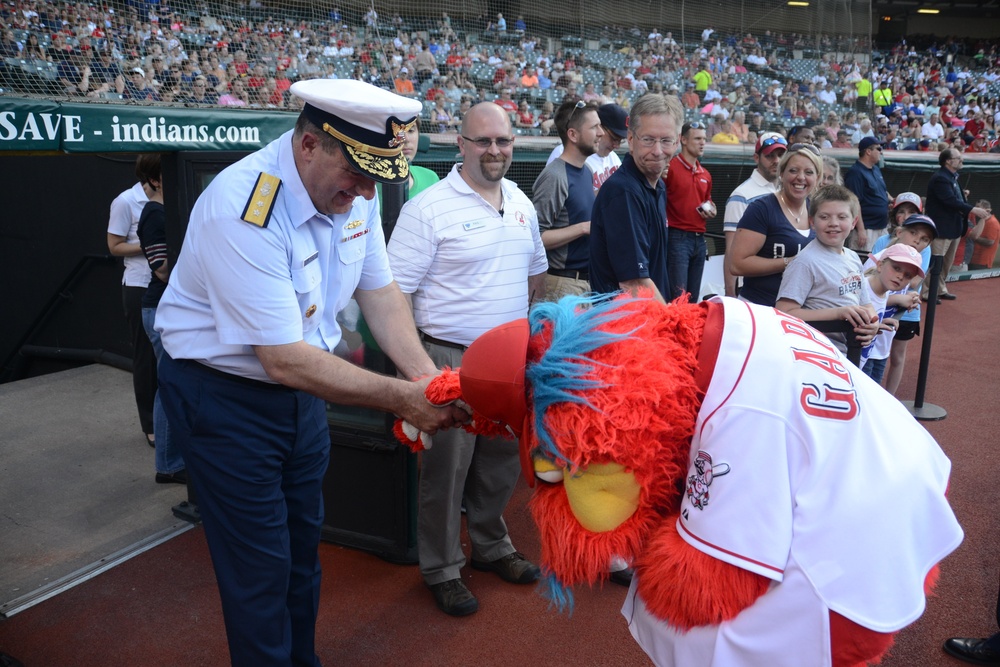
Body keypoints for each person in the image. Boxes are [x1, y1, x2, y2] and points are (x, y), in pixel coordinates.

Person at [154, 80, 467, 665]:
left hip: (303, 397)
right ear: (307, 147)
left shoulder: (357, 193)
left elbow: (381, 292)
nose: (368, 191)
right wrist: (404, 399)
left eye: (379, 176)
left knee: (301, 553)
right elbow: (282, 356)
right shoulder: (244, 205)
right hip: (223, 399)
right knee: (259, 571)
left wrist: (430, 380)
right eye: (358, 172)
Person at [386, 102, 546, 617]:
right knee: (445, 471)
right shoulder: (427, 208)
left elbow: (535, 274)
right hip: (447, 358)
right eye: (483, 141)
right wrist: (418, 371)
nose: (494, 150)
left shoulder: (521, 200)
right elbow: (394, 292)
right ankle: (441, 568)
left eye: (502, 141)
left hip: (507, 360)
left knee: (500, 465)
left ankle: (492, 546)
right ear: (461, 144)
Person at [590, 93, 683, 302]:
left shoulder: (657, 186)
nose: (658, 151)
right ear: (631, 140)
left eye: (666, 140)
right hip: (622, 327)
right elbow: (634, 284)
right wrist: (672, 325)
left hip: (645, 322)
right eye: (648, 140)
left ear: (677, 142)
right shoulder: (624, 192)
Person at [775, 184, 879, 355]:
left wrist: (873, 322)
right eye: (824, 217)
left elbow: (865, 303)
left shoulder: (853, 258)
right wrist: (838, 313)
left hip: (850, 351)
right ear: (812, 222)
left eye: (842, 217)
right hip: (818, 352)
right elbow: (784, 312)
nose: (833, 223)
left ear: (853, 222)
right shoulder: (805, 262)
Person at [134, 154, 186, 484]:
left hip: (168, 307)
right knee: (169, 384)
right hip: (160, 308)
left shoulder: (168, 208)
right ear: (156, 178)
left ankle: (171, 460)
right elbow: (162, 270)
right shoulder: (153, 213)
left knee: (171, 383)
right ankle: (168, 464)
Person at [730, 143, 822, 307]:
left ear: (817, 178)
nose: (801, 177)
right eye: (793, 170)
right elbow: (737, 264)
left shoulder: (817, 210)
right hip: (760, 309)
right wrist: (789, 262)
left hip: (800, 314)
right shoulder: (761, 209)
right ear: (782, 173)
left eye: (809, 172)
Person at [107, 159, 156, 448]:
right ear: (153, 176)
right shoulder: (125, 201)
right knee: (145, 358)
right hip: (139, 286)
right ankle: (150, 425)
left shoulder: (169, 194)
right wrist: (152, 243)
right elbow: (113, 245)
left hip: (167, 285)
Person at [533, 100, 602, 301]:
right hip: (562, 285)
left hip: (585, 283)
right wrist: (583, 228)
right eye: (594, 127)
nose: (601, 133)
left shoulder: (587, 171)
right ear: (572, 134)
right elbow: (536, 237)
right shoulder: (554, 176)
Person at [722, 132, 787, 297]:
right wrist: (730, 294)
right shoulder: (741, 195)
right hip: (752, 289)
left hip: (784, 285)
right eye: (769, 156)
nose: (776, 161)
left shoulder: (789, 191)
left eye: (781, 155)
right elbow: (731, 251)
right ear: (756, 158)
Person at [921, 147, 990, 301]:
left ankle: (940, 289)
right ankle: (926, 293)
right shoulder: (940, 177)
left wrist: (963, 195)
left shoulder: (952, 177)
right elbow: (949, 201)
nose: (961, 160)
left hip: (954, 228)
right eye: (958, 158)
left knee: (946, 263)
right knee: (935, 262)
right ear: (948, 161)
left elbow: (954, 198)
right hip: (942, 229)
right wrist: (973, 209)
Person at [859, 242, 926, 382]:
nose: (900, 276)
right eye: (896, 268)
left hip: (864, 356)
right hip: (851, 362)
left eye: (908, 275)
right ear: (880, 265)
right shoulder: (861, 288)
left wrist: (880, 322)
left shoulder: (884, 291)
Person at [664, 121, 715, 302]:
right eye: (698, 138)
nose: (702, 143)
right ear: (683, 140)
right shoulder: (670, 167)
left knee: (693, 300)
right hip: (677, 237)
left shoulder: (705, 174)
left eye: (704, 139)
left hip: (700, 239)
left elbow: (707, 200)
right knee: (678, 299)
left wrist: (711, 208)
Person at [844, 137, 891, 252]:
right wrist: (861, 230)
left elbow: (883, 191)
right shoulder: (855, 173)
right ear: (868, 151)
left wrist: (894, 200)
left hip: (882, 226)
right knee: (865, 266)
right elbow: (854, 202)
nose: (881, 151)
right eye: (878, 148)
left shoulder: (875, 169)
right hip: (867, 229)